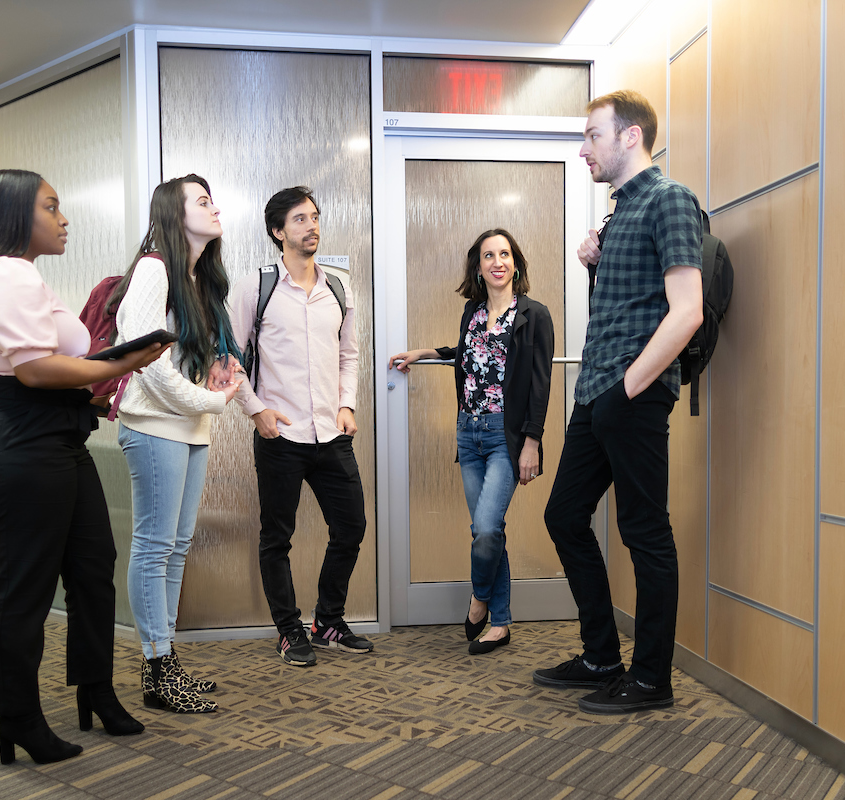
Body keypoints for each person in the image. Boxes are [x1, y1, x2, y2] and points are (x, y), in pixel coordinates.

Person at [0, 169, 168, 765]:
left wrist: (106, 376)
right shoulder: (2, 273)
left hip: (53, 436)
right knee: (22, 588)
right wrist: (118, 363)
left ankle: (95, 690)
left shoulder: (24, 276)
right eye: (51, 207)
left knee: (93, 567)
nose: (63, 217)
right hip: (16, 439)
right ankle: (16, 717)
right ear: (15, 214)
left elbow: (54, 368)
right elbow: (33, 370)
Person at [533, 90, 704, 713]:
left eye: (592, 135)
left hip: (628, 393)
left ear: (630, 137)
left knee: (644, 532)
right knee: (563, 516)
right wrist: (593, 265)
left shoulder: (670, 200)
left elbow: (687, 311)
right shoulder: (618, 213)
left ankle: (652, 677)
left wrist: (632, 382)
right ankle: (602, 655)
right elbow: (629, 306)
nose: (584, 148)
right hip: (596, 392)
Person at [109, 175, 244, 713]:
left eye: (214, 200)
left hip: (189, 427)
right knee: (154, 546)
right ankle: (156, 668)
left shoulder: (197, 280)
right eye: (203, 201)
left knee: (176, 546)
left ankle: (165, 659)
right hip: (155, 426)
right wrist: (208, 401)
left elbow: (189, 362)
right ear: (173, 212)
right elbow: (143, 357)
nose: (214, 209)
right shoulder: (154, 269)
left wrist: (214, 383)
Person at [389, 229, 555, 655]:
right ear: (478, 267)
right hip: (469, 431)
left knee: (484, 529)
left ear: (515, 263)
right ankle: (500, 623)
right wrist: (424, 353)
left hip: (506, 435)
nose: (497, 261)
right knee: (490, 530)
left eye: (504, 254)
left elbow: (540, 384)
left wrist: (532, 442)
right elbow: (465, 354)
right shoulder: (473, 313)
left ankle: (479, 598)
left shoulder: (534, 315)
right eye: (488, 255)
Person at [230, 186, 372, 667]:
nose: (311, 226)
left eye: (314, 217)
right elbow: (229, 356)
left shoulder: (338, 286)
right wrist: (255, 410)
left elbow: (348, 354)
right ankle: (289, 630)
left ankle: (328, 620)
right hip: (281, 435)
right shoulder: (258, 286)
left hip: (331, 433)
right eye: (299, 219)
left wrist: (347, 404)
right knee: (277, 537)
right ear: (278, 231)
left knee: (351, 526)